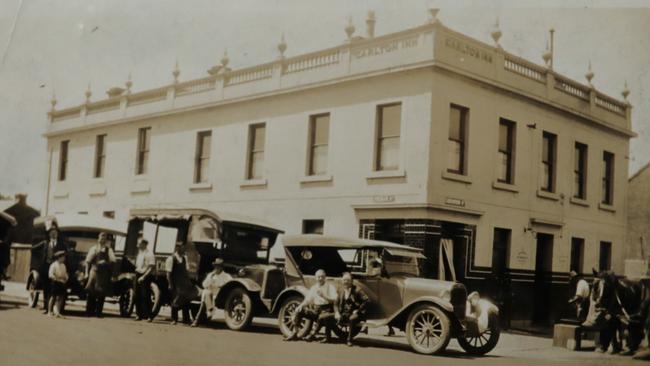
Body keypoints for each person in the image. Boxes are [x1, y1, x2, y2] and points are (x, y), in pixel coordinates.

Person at [284, 269, 338, 343]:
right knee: (299, 311)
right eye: (318, 277)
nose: (320, 279)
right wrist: (300, 306)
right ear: (315, 278)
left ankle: (312, 335)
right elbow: (307, 300)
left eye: (322, 277)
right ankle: (295, 333)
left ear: (325, 277)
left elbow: (335, 300)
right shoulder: (314, 288)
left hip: (326, 310)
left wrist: (324, 296)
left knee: (322, 316)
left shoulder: (330, 287)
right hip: (316, 310)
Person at [192, 258, 232, 327]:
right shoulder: (211, 275)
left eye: (218, 266)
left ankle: (198, 319)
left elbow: (231, 284)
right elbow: (204, 285)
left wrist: (221, 286)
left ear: (222, 267)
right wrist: (210, 278)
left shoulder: (226, 276)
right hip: (209, 293)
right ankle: (209, 310)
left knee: (205, 299)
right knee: (207, 293)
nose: (216, 268)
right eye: (216, 266)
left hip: (219, 295)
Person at [36, 222, 67, 314]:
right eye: (51, 232)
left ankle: (57, 308)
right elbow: (38, 252)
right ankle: (47, 308)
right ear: (49, 234)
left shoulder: (61, 244)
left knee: (56, 289)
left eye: (55, 232)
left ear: (57, 234)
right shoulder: (46, 243)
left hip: (57, 269)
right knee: (46, 288)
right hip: (46, 268)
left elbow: (66, 255)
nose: (53, 234)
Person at [84, 232, 116, 317]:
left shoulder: (109, 250)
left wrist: (106, 262)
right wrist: (86, 273)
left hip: (103, 274)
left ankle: (99, 312)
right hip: (94, 271)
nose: (102, 240)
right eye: (101, 238)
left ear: (106, 240)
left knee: (101, 293)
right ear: (98, 239)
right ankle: (89, 311)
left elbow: (113, 261)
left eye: (104, 239)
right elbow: (88, 261)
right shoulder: (94, 249)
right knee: (91, 292)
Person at [165, 242, 197, 325]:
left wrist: (188, 282)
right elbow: (168, 273)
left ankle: (186, 319)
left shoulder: (184, 258)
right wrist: (170, 284)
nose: (182, 249)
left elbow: (186, 271)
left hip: (184, 283)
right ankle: (174, 319)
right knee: (176, 300)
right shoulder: (171, 259)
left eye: (182, 247)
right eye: (180, 247)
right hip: (176, 283)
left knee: (186, 300)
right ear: (177, 248)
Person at [335, 272, 369, 346]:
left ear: (352, 281)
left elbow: (366, 300)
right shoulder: (340, 290)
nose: (346, 282)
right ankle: (329, 338)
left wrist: (358, 310)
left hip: (355, 313)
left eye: (348, 280)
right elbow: (335, 304)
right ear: (342, 281)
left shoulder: (357, 290)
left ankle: (349, 339)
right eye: (344, 280)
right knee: (328, 317)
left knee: (352, 318)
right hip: (343, 313)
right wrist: (337, 312)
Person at [134, 237, 155, 321]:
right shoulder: (140, 253)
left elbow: (151, 267)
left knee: (145, 296)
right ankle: (139, 315)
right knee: (136, 295)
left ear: (144, 244)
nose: (137, 245)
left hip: (145, 275)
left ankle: (150, 315)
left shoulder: (149, 254)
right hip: (138, 274)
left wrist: (144, 276)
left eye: (139, 243)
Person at [48, 250, 68, 318]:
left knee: (61, 297)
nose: (64, 258)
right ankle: (49, 311)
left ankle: (57, 312)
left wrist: (65, 278)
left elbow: (65, 274)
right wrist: (55, 278)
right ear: (59, 257)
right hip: (55, 283)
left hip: (62, 283)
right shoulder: (53, 265)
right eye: (63, 257)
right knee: (53, 297)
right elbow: (50, 274)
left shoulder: (63, 265)